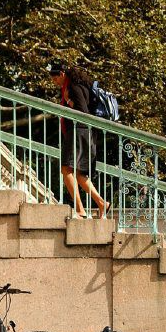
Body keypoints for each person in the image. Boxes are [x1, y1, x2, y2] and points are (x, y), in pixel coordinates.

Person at [48, 63, 109, 218]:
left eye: (55, 78)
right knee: (80, 174)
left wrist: (68, 102)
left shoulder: (73, 88)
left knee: (66, 170)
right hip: (85, 132)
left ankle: (80, 210)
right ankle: (102, 204)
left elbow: (82, 111)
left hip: (78, 131)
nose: (55, 82)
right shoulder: (81, 86)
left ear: (62, 74)